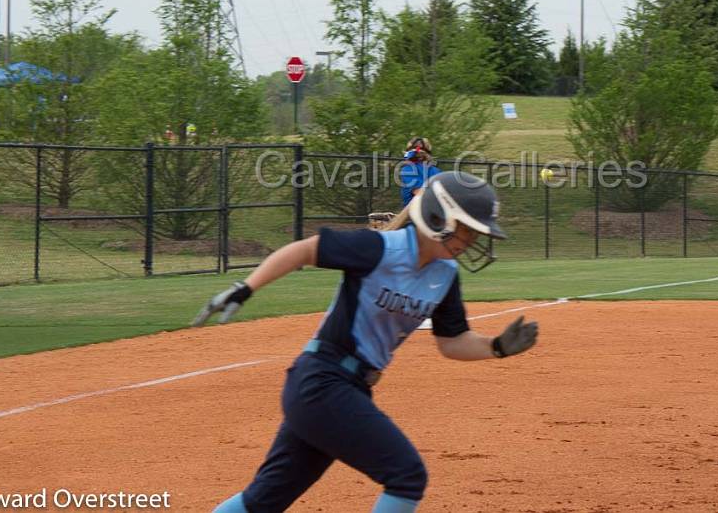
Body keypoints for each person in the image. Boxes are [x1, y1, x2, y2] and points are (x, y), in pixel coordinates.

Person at [193, 171, 538, 513]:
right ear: (438, 217)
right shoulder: (378, 248)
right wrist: (246, 287)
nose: (472, 240)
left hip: (346, 388)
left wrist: (497, 347)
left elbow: (452, 341)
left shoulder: (445, 275)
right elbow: (304, 250)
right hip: (321, 382)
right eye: (467, 228)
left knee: (263, 501)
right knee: (406, 476)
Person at [398, 137, 440, 208]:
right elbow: (419, 192)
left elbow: (419, 193)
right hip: (424, 210)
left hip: (418, 212)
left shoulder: (407, 169)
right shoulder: (408, 169)